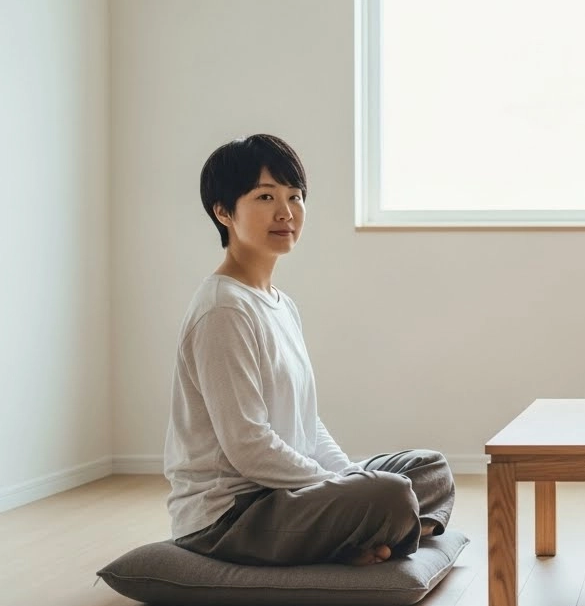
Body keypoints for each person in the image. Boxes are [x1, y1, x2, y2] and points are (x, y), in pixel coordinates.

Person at [163, 133, 454, 567]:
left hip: (288, 495)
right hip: (233, 516)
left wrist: (348, 478)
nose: (286, 213)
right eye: (265, 196)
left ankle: (375, 537)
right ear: (223, 212)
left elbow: (306, 419)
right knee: (390, 494)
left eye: (295, 196)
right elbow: (248, 447)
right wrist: (345, 486)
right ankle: (379, 532)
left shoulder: (281, 304)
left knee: (429, 468)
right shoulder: (223, 309)